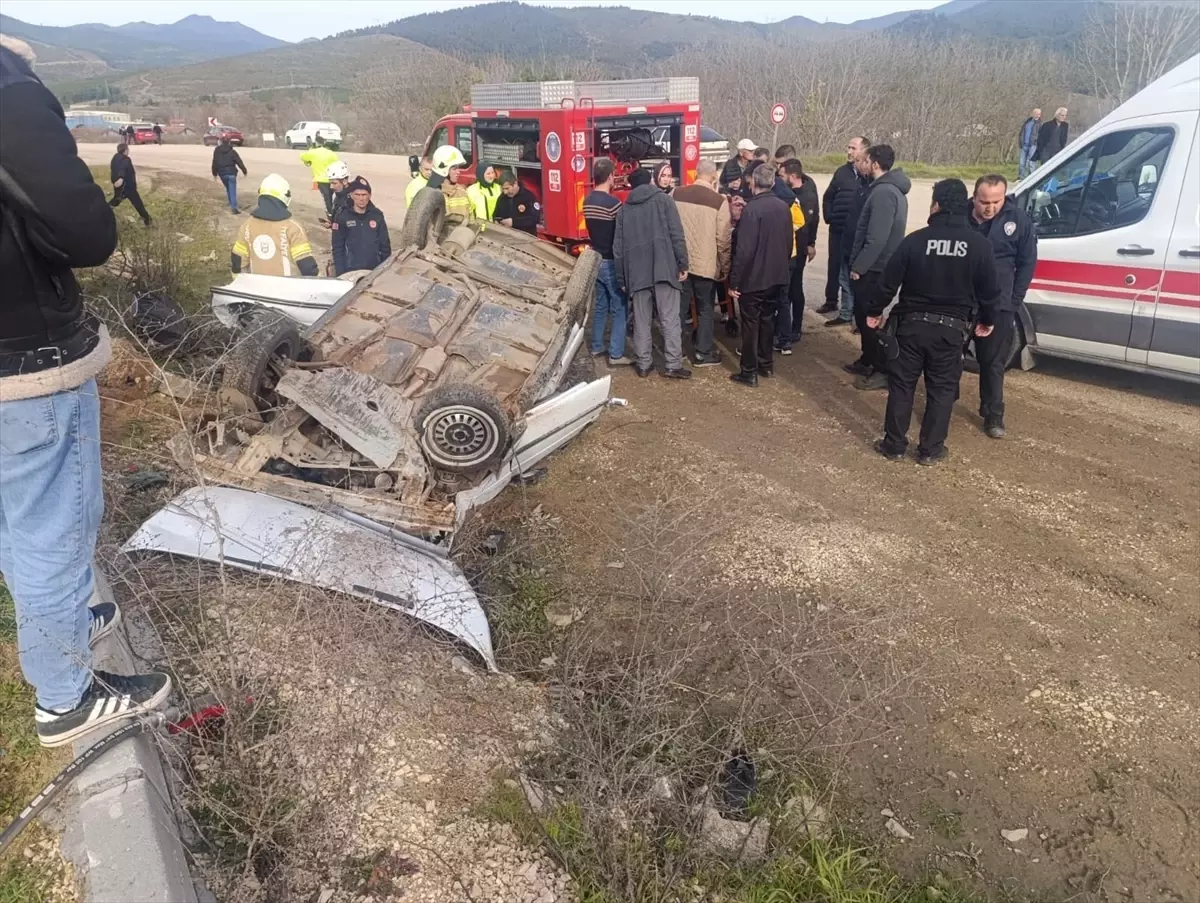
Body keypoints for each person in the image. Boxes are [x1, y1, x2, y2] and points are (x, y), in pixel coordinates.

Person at [0, 33, 172, 748]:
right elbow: (87, 232)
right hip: (25, 358)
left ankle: (62, 622)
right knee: (53, 527)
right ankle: (66, 695)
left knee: (17, 517)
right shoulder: (7, 88)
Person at [868, 179, 1000, 466]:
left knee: (902, 386)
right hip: (951, 331)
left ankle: (894, 445)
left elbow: (887, 282)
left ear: (936, 204)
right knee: (940, 390)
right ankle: (930, 449)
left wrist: (874, 310)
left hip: (911, 327)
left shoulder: (915, 240)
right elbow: (991, 291)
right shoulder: (979, 245)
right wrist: (988, 321)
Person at [969, 174, 1036, 439]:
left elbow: (1027, 263)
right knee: (947, 358)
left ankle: (993, 414)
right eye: (984, 202)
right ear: (974, 197)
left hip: (998, 304)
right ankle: (943, 405)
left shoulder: (1018, 221)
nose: (990, 207)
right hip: (962, 301)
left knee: (993, 363)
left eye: (996, 201)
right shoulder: (961, 216)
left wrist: (1013, 302)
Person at [613, 168, 691, 380]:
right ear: (650, 181)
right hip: (664, 268)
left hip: (636, 273)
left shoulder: (624, 210)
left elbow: (618, 248)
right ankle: (673, 365)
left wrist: (621, 277)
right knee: (669, 319)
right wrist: (683, 262)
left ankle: (644, 364)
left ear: (631, 185)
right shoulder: (664, 201)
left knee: (641, 320)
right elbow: (677, 234)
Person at [848, 144, 911, 390]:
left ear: (874, 164)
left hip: (876, 269)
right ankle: (867, 359)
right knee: (864, 318)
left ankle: (881, 367)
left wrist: (860, 266)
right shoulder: (885, 190)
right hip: (876, 266)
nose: (860, 164)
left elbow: (877, 237)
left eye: (864, 160)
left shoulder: (884, 193)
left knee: (871, 319)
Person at [728, 163, 793, 387]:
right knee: (767, 320)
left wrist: (734, 280)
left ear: (752, 182)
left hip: (754, 279)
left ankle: (749, 370)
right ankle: (766, 364)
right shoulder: (783, 207)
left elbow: (744, 250)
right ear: (773, 182)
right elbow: (788, 243)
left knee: (750, 324)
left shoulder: (752, 211)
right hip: (777, 276)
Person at [674, 159, 731, 367]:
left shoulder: (676, 194)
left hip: (681, 263)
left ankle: (675, 351)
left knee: (678, 308)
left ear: (695, 173)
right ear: (714, 176)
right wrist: (725, 266)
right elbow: (723, 238)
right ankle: (702, 353)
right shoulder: (719, 201)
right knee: (706, 308)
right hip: (706, 265)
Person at [584, 158, 631, 366]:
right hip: (610, 261)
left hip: (596, 258)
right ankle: (615, 353)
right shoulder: (614, 204)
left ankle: (596, 346)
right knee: (620, 307)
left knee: (601, 305)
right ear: (611, 176)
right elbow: (621, 234)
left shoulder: (587, 201)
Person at [821, 136, 870, 322]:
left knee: (852, 270)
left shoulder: (868, 177)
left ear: (864, 150)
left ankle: (852, 312)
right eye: (848, 148)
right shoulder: (842, 172)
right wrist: (830, 216)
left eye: (853, 148)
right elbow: (828, 196)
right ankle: (831, 300)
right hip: (838, 228)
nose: (849, 151)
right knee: (835, 265)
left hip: (856, 232)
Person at [231, 174, 318, 277]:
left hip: (258, 289)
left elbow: (238, 262)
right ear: (285, 197)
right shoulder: (292, 228)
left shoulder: (247, 226)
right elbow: (307, 267)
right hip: (288, 290)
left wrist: (241, 285)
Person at [775, 158, 819, 355]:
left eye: (782, 175)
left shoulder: (806, 196)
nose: (780, 178)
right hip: (790, 249)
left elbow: (812, 221)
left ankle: (795, 327)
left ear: (792, 176)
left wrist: (810, 243)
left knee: (794, 289)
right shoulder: (790, 193)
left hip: (798, 250)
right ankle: (785, 325)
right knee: (788, 289)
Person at [331, 176, 390, 276]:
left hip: (374, 271)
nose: (361, 198)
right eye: (357, 194)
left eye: (364, 195)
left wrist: (385, 271)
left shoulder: (377, 215)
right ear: (351, 195)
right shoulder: (342, 217)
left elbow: (385, 246)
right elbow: (338, 248)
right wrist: (340, 274)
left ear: (370, 195)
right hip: (350, 272)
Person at [108, 142, 152, 226]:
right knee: (138, 204)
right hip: (128, 186)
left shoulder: (115, 158)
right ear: (125, 150)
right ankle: (148, 221)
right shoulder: (126, 159)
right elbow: (123, 168)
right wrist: (121, 178)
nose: (128, 151)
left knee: (115, 201)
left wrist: (114, 181)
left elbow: (114, 170)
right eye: (128, 149)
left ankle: (103, 211)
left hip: (119, 187)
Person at [426, 145, 472, 223]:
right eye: (454, 169)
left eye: (459, 168)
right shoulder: (430, 195)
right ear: (443, 170)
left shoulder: (462, 192)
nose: (458, 172)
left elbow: (471, 219)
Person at [299, 134, 340, 219]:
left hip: (321, 180)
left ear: (316, 143)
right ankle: (337, 212)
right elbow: (337, 162)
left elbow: (302, 157)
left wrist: (311, 149)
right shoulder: (331, 153)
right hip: (332, 178)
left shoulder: (313, 152)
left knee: (327, 198)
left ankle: (330, 215)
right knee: (335, 196)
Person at [211, 134, 247, 215]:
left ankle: (231, 203)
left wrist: (214, 173)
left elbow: (214, 162)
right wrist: (244, 171)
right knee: (232, 190)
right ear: (229, 142)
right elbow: (239, 161)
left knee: (228, 188)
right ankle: (234, 207)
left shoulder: (216, 151)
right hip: (231, 173)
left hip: (222, 174)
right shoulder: (232, 151)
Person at [324, 160, 353, 225]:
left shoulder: (353, 199)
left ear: (344, 181)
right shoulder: (338, 196)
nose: (331, 187)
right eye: (330, 183)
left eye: (334, 183)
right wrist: (332, 225)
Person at [1018, 109, 1041, 179]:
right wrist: (1020, 141)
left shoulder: (1040, 124)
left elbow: (1040, 135)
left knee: (1031, 163)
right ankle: (1021, 178)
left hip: (1033, 146)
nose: (1037, 115)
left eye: (1039, 114)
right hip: (1024, 145)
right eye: (1036, 113)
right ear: (1033, 114)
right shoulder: (1027, 122)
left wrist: (1036, 143)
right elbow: (1022, 132)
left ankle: (1032, 179)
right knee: (1022, 163)